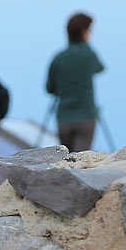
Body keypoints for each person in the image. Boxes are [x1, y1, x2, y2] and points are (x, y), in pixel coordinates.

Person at [46, 12, 105, 152]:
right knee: (80, 161)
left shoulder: (58, 58)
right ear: (84, 32)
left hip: (64, 118)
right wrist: (86, 45)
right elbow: (100, 68)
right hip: (85, 115)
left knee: (67, 158)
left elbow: (49, 88)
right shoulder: (88, 54)